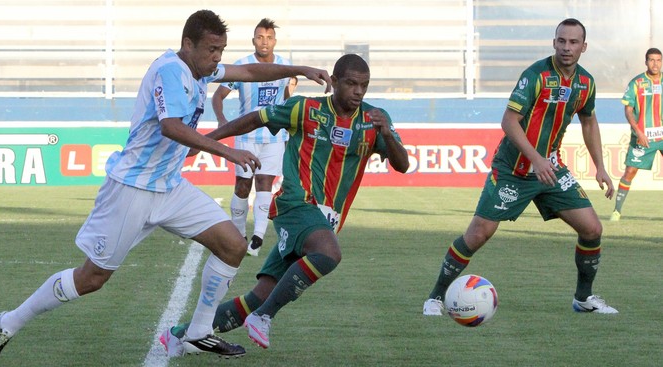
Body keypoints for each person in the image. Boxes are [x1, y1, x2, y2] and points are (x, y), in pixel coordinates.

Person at [0, 9, 331, 365]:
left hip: (169, 187)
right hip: (131, 188)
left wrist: (298, 69)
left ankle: (197, 332)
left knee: (232, 245)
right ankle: (7, 322)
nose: (217, 58)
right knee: (92, 277)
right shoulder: (170, 70)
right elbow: (171, 127)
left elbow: (251, 71)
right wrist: (227, 150)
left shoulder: (202, 69)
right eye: (211, 49)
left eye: (221, 50)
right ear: (187, 44)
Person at [160, 54, 409, 353]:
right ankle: (263, 318)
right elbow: (255, 118)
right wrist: (208, 140)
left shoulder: (374, 119)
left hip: (324, 221)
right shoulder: (305, 108)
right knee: (329, 254)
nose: (358, 91)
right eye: (351, 84)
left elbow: (402, 164)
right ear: (335, 81)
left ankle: (179, 334)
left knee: (258, 296)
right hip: (296, 204)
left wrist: (387, 135)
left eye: (364, 86)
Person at [422, 18, 618, 317]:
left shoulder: (585, 83)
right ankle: (436, 298)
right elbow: (508, 121)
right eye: (561, 41)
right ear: (554, 42)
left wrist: (600, 166)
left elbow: (589, 120)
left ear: (584, 47)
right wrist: (535, 158)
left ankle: (583, 298)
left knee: (592, 229)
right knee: (478, 235)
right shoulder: (535, 75)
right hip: (513, 168)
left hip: (550, 169)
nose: (567, 47)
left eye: (573, 42)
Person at [212, 18, 296, 257]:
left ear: (275, 41)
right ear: (253, 40)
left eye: (269, 38)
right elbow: (218, 96)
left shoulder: (284, 67)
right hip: (246, 137)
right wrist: (221, 119)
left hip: (273, 137)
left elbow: (288, 99)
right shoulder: (241, 66)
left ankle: (257, 237)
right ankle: (240, 233)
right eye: (260, 37)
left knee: (265, 184)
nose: (264, 42)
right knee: (242, 185)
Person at [610, 48, 663, 221]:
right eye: (651, 60)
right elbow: (628, 110)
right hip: (643, 136)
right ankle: (617, 211)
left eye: (658, 60)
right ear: (646, 62)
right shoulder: (637, 83)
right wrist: (638, 131)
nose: (655, 64)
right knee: (630, 172)